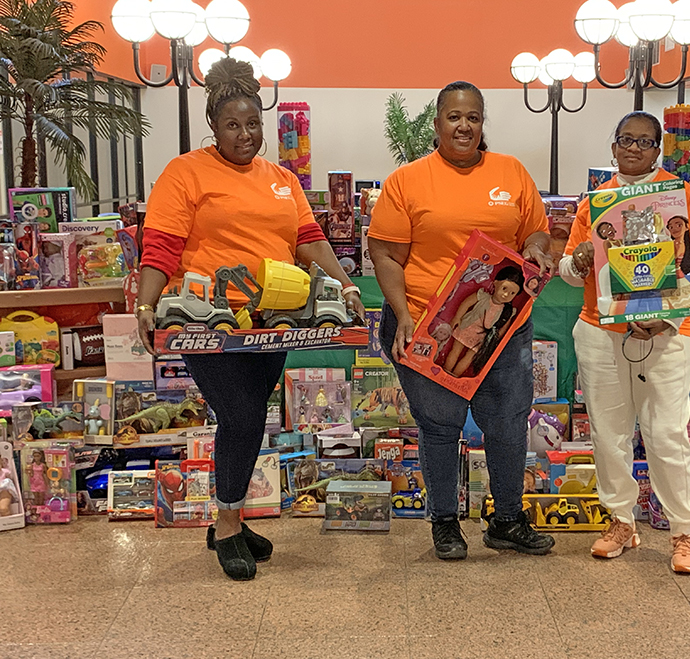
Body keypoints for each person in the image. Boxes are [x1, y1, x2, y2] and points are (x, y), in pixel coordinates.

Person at [135, 57, 364, 581]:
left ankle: (229, 516)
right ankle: (229, 524)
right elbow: (162, 245)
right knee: (239, 415)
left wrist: (346, 283)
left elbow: (308, 239)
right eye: (232, 125)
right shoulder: (186, 172)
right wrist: (146, 307)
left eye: (253, 123)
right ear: (213, 125)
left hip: (273, 319)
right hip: (209, 321)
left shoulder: (281, 177)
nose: (245, 134)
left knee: (253, 412)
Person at [369, 80, 555, 560]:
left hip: (502, 328)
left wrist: (536, 248)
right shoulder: (406, 181)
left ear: (482, 122)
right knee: (439, 426)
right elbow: (385, 254)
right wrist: (405, 316)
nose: (464, 125)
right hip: (430, 325)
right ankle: (445, 523)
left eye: (473, 116)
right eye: (454, 116)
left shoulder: (511, 172)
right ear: (436, 124)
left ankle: (507, 520)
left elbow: (535, 230)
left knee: (509, 423)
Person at [560, 111, 690, 574]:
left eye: (645, 142)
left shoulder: (681, 196)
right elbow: (568, 273)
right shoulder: (596, 202)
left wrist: (668, 317)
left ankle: (683, 531)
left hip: (667, 335)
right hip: (601, 331)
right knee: (608, 434)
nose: (634, 148)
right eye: (625, 139)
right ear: (613, 147)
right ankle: (621, 521)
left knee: (666, 433)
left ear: (658, 149)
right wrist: (581, 259)